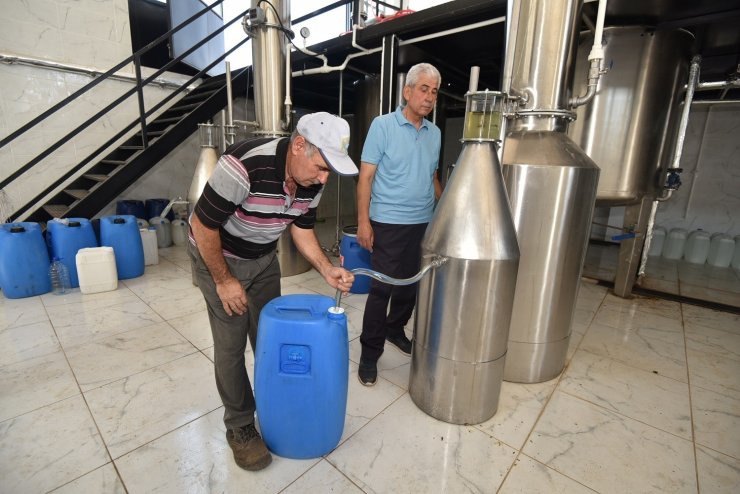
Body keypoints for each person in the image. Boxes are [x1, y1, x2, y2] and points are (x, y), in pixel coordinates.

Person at [188, 112, 358, 471]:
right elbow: (202, 226)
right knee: (231, 343)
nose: (324, 178)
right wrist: (223, 280)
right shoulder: (244, 166)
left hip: (263, 257)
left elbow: (301, 228)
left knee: (268, 336)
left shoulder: (312, 176)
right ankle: (240, 426)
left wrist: (327, 269)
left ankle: (276, 401)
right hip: (218, 255)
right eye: (321, 167)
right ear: (299, 145)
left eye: (329, 170)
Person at [356, 63, 443, 386]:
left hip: (422, 222)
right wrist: (364, 223)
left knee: (412, 284)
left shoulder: (434, 133)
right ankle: (369, 352)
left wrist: (446, 210)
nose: (429, 97)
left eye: (434, 92)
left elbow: (432, 177)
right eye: (423, 89)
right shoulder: (383, 126)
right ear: (407, 92)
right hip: (388, 222)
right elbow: (365, 177)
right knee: (382, 289)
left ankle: (396, 328)